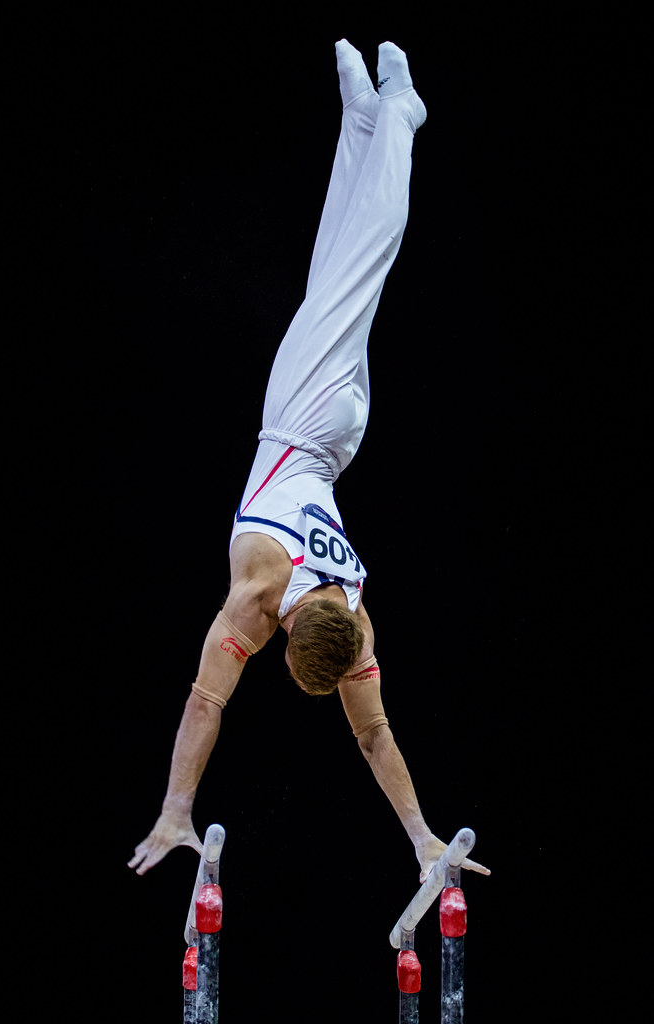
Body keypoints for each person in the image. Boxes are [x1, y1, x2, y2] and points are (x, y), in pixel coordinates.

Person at [129, 40, 490, 882]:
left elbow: (373, 732)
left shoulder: (355, 617)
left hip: (337, 442)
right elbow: (204, 700)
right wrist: (173, 808)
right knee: (363, 264)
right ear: (289, 641)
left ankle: (359, 125)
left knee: (332, 272)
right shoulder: (258, 592)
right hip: (302, 423)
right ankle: (400, 120)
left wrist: (422, 838)